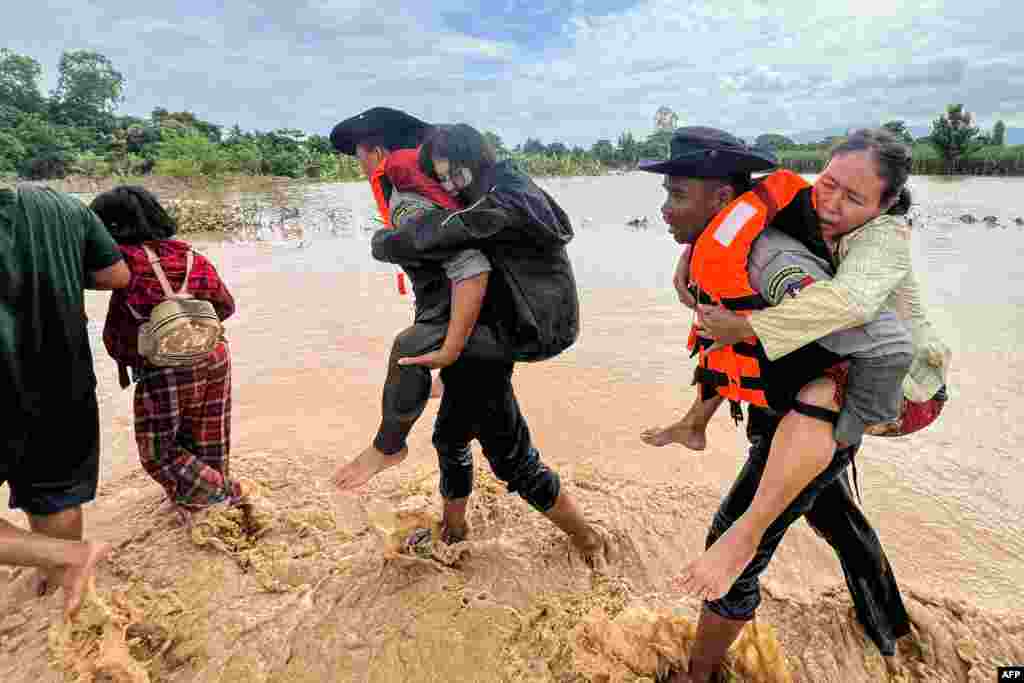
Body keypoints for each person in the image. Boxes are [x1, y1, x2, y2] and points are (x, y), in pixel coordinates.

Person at [633, 128, 913, 681]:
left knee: (734, 541)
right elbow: (725, 346)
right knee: (836, 518)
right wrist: (698, 417)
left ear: (720, 199)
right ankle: (890, 628)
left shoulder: (771, 257)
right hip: (778, 412)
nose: (665, 209)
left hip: (813, 420)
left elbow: (870, 335)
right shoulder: (722, 240)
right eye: (666, 195)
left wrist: (847, 416)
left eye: (677, 195)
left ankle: (701, 675)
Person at [334, 123, 607, 565]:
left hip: (513, 329)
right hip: (494, 328)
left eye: (453, 174)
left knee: (511, 458)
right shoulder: (479, 190)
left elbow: (467, 242)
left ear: (477, 160)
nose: (448, 185)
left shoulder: (507, 193)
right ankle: (456, 527)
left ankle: (587, 537)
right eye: (440, 177)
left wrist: (390, 242)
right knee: (450, 437)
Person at [329, 107, 504, 491]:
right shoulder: (427, 183)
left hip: (471, 320)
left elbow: (469, 266)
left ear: (375, 152)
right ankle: (453, 530)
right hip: (476, 316)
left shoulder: (406, 198)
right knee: (456, 438)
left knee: (507, 451)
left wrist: (448, 348)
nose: (359, 165)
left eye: (358, 155)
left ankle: (388, 446)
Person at [1, 182, 129, 617]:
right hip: (61, 380)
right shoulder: (57, 204)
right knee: (55, 495)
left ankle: (67, 561)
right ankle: (66, 610)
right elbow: (117, 275)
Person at [91, 187, 244, 525]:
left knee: (159, 454)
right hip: (214, 356)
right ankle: (215, 513)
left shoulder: (123, 262)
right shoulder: (190, 256)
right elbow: (226, 306)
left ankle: (229, 492)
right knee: (209, 443)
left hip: (164, 369)